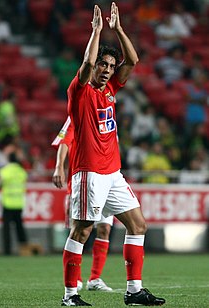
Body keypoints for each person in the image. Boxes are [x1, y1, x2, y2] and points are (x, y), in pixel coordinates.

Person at [61, 3, 165, 306]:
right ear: (93, 67)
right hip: (89, 172)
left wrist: (118, 29)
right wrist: (96, 31)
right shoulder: (80, 92)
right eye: (102, 65)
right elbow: (85, 65)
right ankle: (70, 295)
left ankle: (134, 291)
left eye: (109, 66)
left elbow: (132, 59)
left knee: (138, 225)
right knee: (82, 231)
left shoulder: (110, 91)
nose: (106, 70)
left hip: (112, 173)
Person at [52, 116, 113, 292]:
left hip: (106, 184)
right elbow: (64, 141)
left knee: (104, 229)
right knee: (78, 230)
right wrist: (59, 167)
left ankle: (95, 278)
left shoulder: (109, 118)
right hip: (82, 183)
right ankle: (76, 278)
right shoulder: (77, 115)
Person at [0, 151, 28, 255]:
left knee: (6, 229)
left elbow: (0, 185)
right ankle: (25, 250)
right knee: (20, 228)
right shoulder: (21, 171)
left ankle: (7, 251)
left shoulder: (4, 171)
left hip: (8, 203)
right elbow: (24, 182)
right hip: (19, 203)